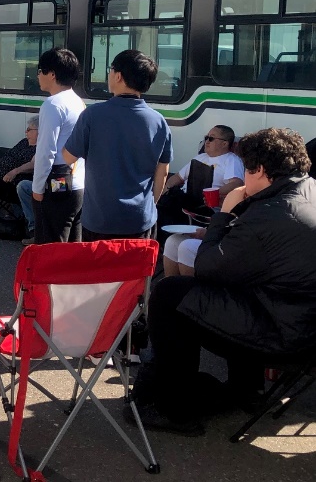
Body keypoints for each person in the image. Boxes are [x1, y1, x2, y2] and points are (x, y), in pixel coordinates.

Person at [131, 128, 316, 435]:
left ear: (259, 170)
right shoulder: (308, 190)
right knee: (235, 283)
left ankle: (174, 407)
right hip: (301, 321)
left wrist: (225, 213)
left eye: (246, 169)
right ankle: (246, 389)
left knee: (171, 294)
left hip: (284, 337)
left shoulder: (271, 214)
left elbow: (206, 267)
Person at [63, 50, 172, 241]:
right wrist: (149, 204)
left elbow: (68, 157)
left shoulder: (93, 115)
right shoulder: (159, 121)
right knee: (136, 271)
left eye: (110, 70)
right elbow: (162, 171)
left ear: (118, 76)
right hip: (140, 220)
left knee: (99, 271)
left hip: (99, 220)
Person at [160, 125, 245, 277]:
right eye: (206, 137)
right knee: (163, 205)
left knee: (167, 211)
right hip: (185, 201)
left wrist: (214, 193)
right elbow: (177, 178)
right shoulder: (198, 158)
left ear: (225, 143)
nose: (206, 141)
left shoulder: (231, 160)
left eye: (211, 138)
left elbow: (237, 183)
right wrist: (166, 189)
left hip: (205, 207)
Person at [31, 48, 86, 244]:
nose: (38, 76)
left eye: (40, 71)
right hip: (78, 182)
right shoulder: (78, 102)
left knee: (50, 246)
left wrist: (37, 188)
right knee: (72, 248)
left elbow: (46, 150)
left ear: (52, 74)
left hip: (55, 184)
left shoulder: (53, 104)